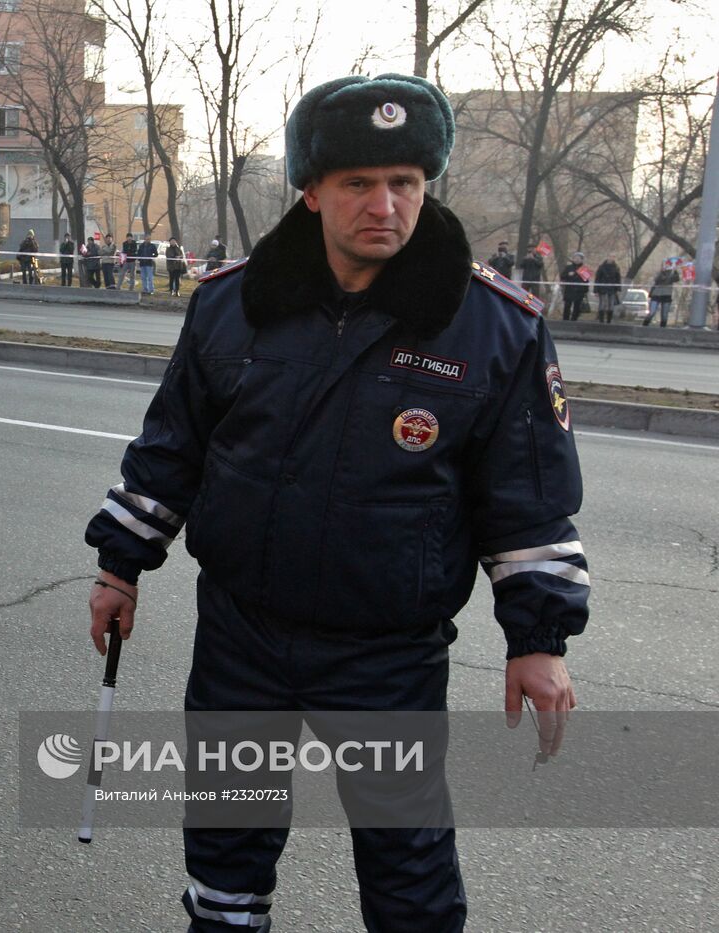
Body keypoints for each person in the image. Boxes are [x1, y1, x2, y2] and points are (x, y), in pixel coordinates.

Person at [84, 74, 587, 933]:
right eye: (359, 183)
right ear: (312, 189)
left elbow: (529, 501)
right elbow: (173, 446)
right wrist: (120, 565)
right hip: (242, 635)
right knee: (226, 848)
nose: (385, 205)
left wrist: (537, 640)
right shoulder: (230, 305)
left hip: (386, 656)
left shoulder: (494, 326)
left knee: (408, 864)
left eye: (405, 182)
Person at [645, 262, 680, 327]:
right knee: (652, 312)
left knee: (664, 315)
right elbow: (657, 279)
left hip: (667, 295)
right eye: (665, 265)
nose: (667, 266)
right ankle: (645, 325)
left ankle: (662, 329)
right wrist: (662, 272)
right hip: (656, 294)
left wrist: (675, 271)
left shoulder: (672, 273)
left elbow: (676, 279)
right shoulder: (659, 272)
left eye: (669, 265)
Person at [560, 251, 589, 321]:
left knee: (577, 306)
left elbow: (586, 281)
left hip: (579, 291)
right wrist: (568, 275)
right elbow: (562, 277)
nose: (576, 259)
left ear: (582, 259)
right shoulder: (568, 267)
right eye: (575, 258)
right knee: (567, 305)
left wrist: (585, 291)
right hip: (569, 289)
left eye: (578, 258)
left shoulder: (584, 269)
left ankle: (574, 320)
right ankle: (565, 320)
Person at [593, 256, 621, 323]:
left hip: (612, 289)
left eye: (612, 257)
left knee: (611, 305)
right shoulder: (601, 267)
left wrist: (618, 289)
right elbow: (597, 279)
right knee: (602, 304)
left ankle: (609, 321)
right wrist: (596, 290)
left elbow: (618, 279)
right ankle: (601, 320)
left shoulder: (616, 268)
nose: (610, 259)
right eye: (609, 257)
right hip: (602, 288)